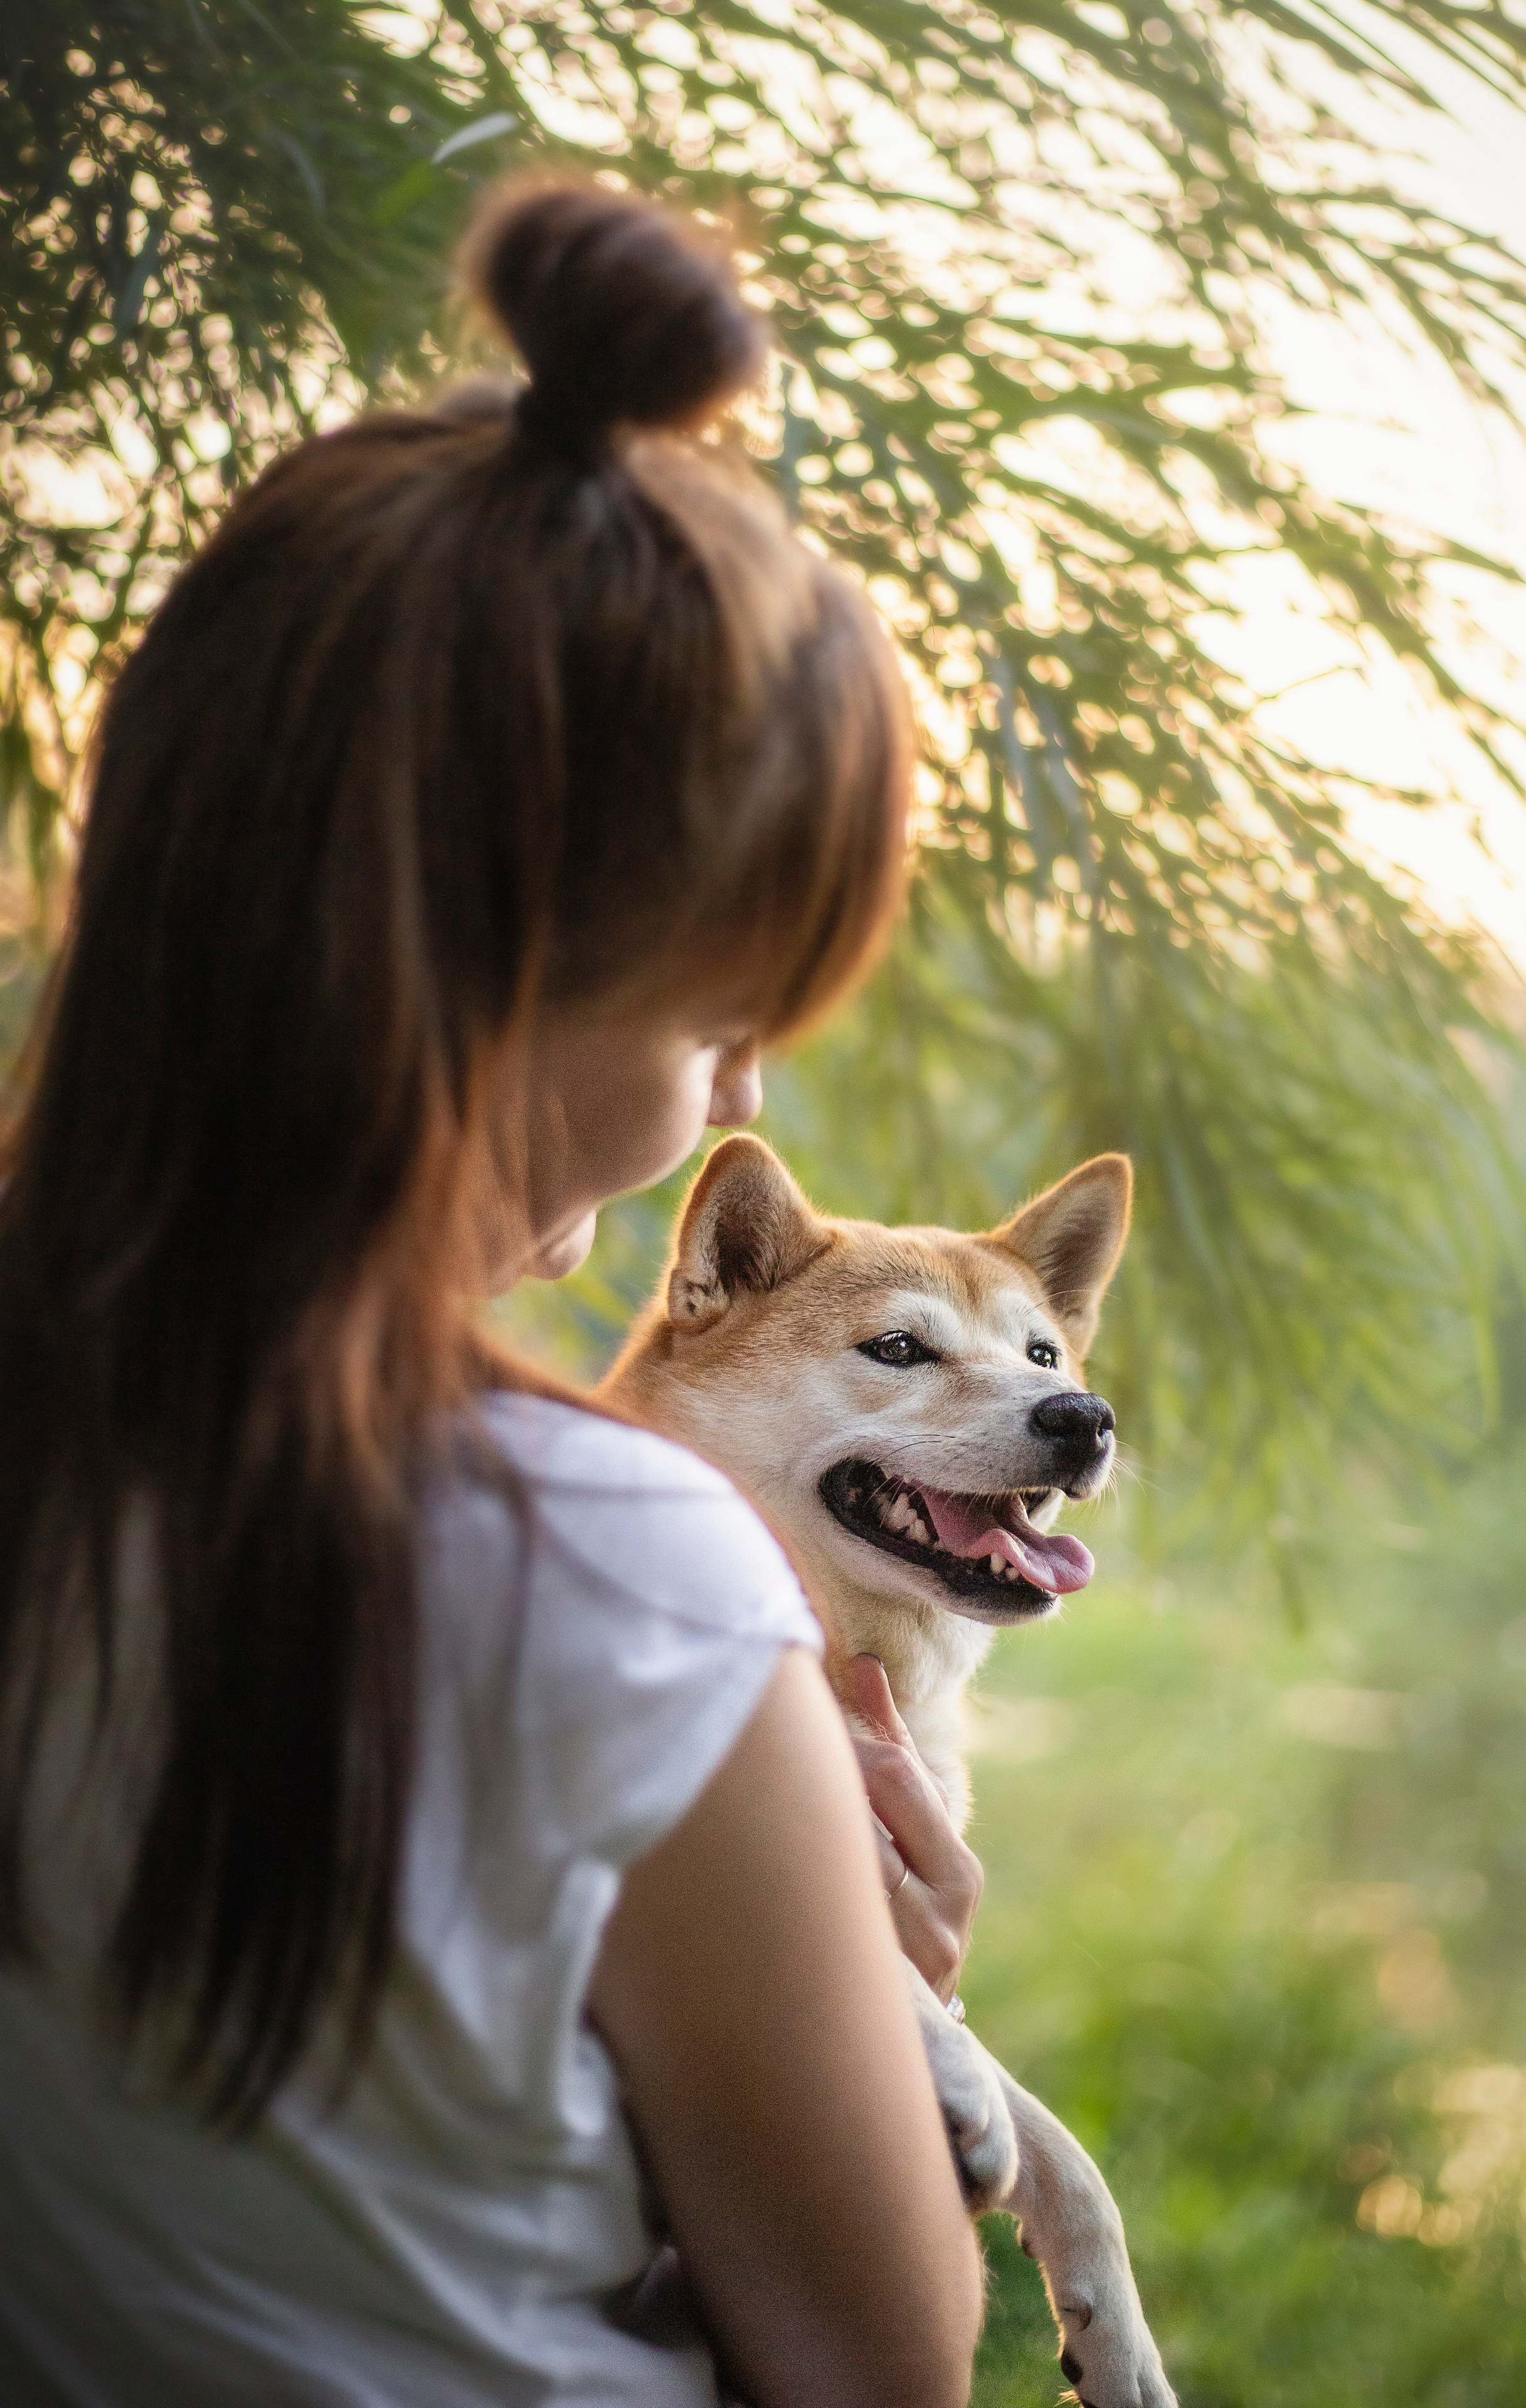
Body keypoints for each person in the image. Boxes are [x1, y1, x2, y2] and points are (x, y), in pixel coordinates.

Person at [0, 182, 985, 2407]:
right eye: (722, 1017)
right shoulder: (608, 1587)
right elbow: (883, 2365)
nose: (739, 1095)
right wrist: (877, 1979)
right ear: (500, 972)